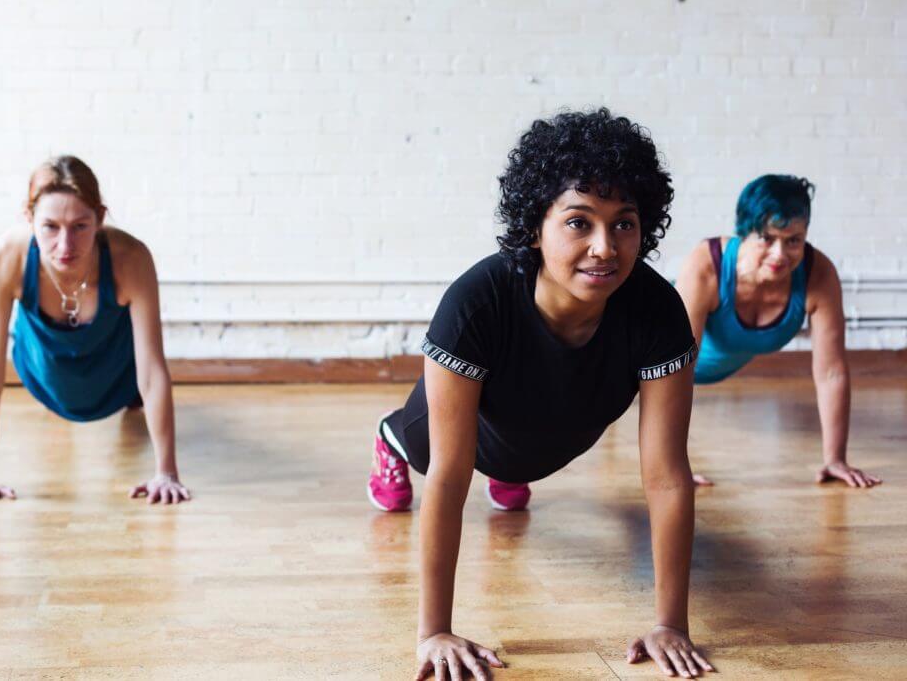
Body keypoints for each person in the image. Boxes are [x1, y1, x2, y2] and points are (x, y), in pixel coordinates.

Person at [368, 109, 714, 679]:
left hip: (552, 427)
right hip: (469, 431)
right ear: (536, 226)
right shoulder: (475, 304)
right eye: (579, 222)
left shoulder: (657, 311)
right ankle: (391, 438)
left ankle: (512, 469)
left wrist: (670, 623)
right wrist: (433, 632)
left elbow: (667, 476)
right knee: (430, 450)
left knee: (519, 459)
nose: (605, 246)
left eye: (624, 223)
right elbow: (452, 481)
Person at [0, 156, 190, 508]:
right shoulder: (6, 256)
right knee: (49, 372)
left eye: (79, 226)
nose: (65, 245)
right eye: (50, 227)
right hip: (44, 371)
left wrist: (166, 472)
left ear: (100, 219)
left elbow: (151, 367)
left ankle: (128, 399)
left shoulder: (131, 257)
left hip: (116, 372)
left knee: (136, 387)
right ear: (29, 220)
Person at [675, 175, 881, 489]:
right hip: (651, 362)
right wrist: (673, 466)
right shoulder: (708, 266)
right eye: (767, 238)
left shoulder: (818, 275)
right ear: (744, 232)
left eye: (793, 240)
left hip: (711, 369)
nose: (780, 254)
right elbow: (675, 367)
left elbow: (832, 374)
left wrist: (835, 458)